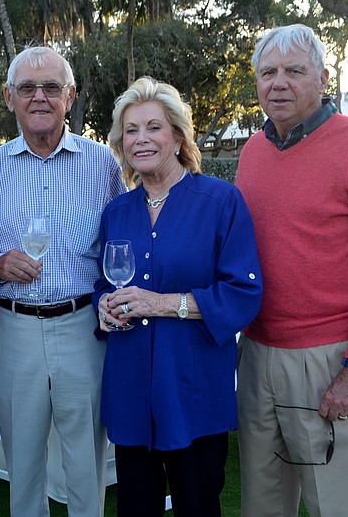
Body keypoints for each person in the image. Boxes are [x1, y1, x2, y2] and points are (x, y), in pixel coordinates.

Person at [234, 24, 348, 517]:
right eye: (268, 72)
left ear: (323, 76)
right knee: (261, 504)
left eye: (294, 71)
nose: (279, 83)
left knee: (332, 505)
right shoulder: (253, 152)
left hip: (328, 362)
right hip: (255, 356)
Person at [0, 46, 126, 517]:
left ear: (70, 96)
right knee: (24, 462)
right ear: (8, 96)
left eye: (51, 87)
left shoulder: (102, 165)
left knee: (85, 461)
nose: (40, 97)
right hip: (12, 330)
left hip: (82, 327)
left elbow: (123, 240)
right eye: (27, 88)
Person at [94, 77, 262, 517]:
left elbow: (243, 293)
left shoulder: (221, 201)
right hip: (130, 390)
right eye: (131, 130)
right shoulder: (117, 211)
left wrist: (162, 303)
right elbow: (104, 282)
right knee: (136, 507)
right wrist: (103, 307)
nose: (141, 139)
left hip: (193, 391)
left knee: (198, 505)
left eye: (154, 127)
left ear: (178, 136)